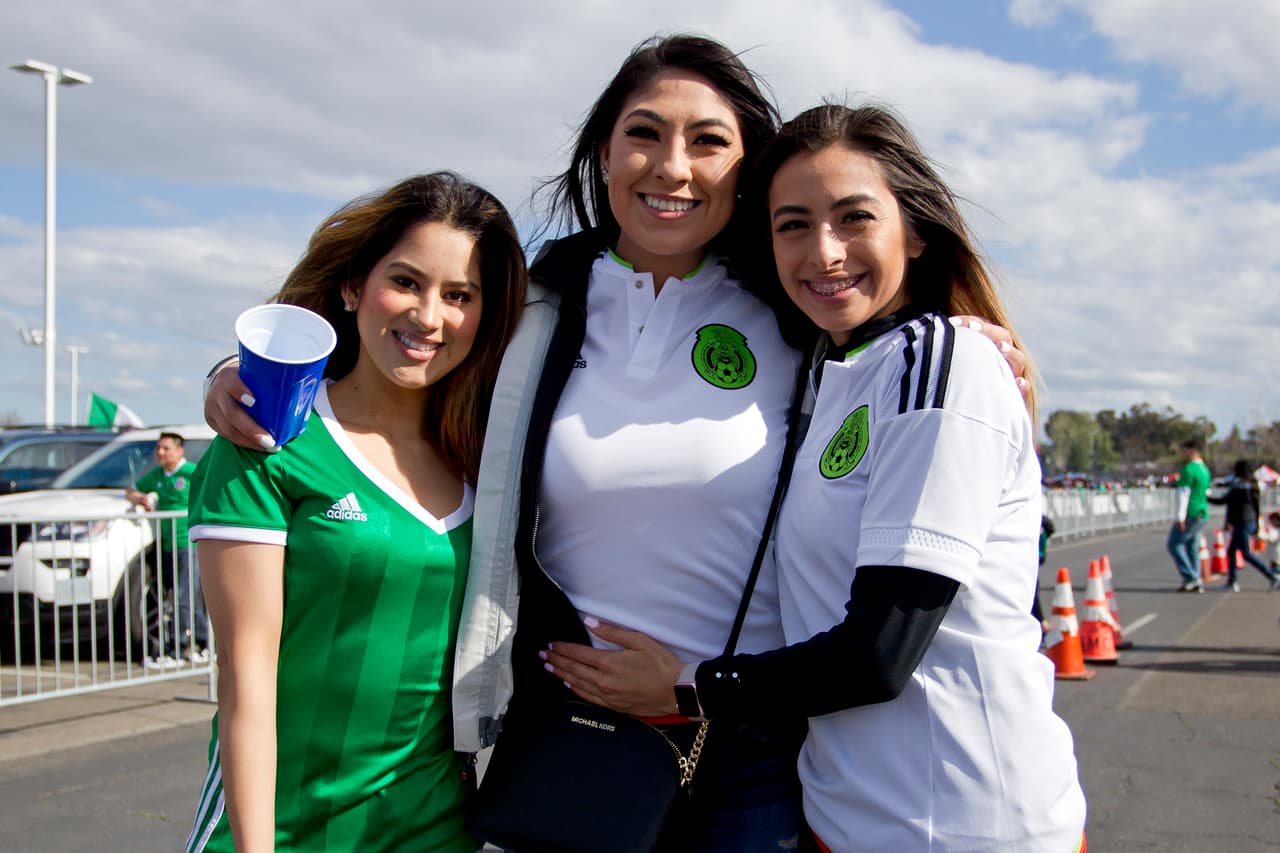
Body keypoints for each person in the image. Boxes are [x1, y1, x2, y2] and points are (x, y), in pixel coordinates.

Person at [202, 35, 1032, 850]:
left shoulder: (791, 309)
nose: (672, 166)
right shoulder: (531, 310)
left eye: (709, 142)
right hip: (576, 739)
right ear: (604, 153)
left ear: (745, 169)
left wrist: (967, 346)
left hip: (754, 750)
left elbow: (886, 351)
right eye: (644, 133)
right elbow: (406, 360)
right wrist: (238, 376)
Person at [544, 103, 1087, 851]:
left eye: (854, 218)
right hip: (842, 816)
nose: (824, 252)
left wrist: (683, 684)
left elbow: (878, 653)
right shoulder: (833, 374)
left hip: (961, 823)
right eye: (793, 224)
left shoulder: (945, 368)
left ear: (917, 232)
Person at [183, 172, 526, 853]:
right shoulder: (269, 446)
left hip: (436, 831)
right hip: (281, 832)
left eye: (459, 295)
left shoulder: (486, 459)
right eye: (406, 281)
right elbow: (243, 673)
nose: (429, 317)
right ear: (352, 288)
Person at [124, 431, 206, 669]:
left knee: (182, 597)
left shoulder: (191, 472)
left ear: (179, 450)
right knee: (183, 596)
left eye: (166, 448)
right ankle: (203, 643)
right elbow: (131, 490)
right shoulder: (158, 476)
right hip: (168, 544)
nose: (160, 453)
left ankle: (177, 649)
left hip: (187, 543)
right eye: (158, 448)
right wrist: (141, 498)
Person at [1208, 459, 1280, 591]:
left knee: (1246, 553)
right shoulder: (1253, 484)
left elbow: (1226, 502)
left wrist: (1206, 496)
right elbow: (1256, 506)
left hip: (1242, 522)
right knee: (1232, 551)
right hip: (1250, 521)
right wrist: (1257, 525)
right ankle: (1232, 581)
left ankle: (1272, 576)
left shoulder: (1238, 486)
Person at [1169, 438, 1211, 592]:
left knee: (1174, 544)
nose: (1182, 453)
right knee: (1192, 545)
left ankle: (1192, 577)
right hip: (1202, 511)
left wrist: (1180, 517)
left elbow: (1183, 494)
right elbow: (1207, 491)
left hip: (1191, 512)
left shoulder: (1189, 469)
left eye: (1184, 450)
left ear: (1191, 451)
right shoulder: (1204, 469)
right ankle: (1194, 579)